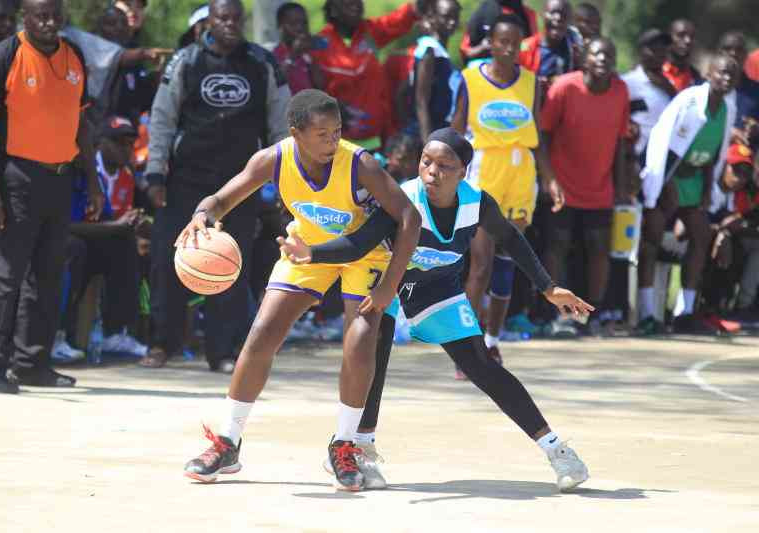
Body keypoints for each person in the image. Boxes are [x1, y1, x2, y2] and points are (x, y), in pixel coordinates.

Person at [281, 128, 591, 491]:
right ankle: (360, 447)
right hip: (387, 280)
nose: (432, 172)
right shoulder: (402, 199)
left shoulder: (477, 203)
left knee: (481, 364)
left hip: (436, 286)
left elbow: (510, 238)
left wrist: (549, 287)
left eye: (444, 166)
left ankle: (557, 451)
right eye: (426, 162)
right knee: (373, 354)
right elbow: (360, 243)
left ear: (463, 172)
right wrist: (312, 254)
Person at [180, 89, 421, 491]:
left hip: (365, 256)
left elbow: (409, 216)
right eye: (322, 134)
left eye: (337, 131)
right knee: (262, 333)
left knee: (360, 339)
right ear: (296, 133)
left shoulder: (360, 164)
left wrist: (389, 286)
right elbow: (221, 199)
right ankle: (228, 442)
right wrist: (202, 215)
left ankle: (344, 445)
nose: (332, 140)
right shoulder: (272, 160)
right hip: (304, 249)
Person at [142, 0, 291, 371]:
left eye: (237, 19)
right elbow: (162, 118)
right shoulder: (186, 61)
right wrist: (155, 174)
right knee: (169, 260)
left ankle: (222, 351)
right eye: (223, 18)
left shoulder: (261, 62)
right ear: (209, 21)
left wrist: (286, 180)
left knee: (230, 264)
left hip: (239, 184)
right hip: (186, 180)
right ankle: (162, 343)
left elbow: (281, 123)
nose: (230, 24)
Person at [0, 0, 104, 394]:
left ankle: (32, 364)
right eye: (40, 16)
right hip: (16, 177)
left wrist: (93, 182)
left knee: (47, 275)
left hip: (60, 178)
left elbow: (81, 122)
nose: (49, 23)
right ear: (25, 18)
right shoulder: (5, 55)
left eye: (55, 16)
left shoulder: (73, 55)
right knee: (6, 276)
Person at [452, 14, 562, 365]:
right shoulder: (470, 79)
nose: (509, 49)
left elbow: (538, 135)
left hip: (520, 173)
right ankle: (467, 350)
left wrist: (550, 178)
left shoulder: (531, 82)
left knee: (507, 260)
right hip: (484, 171)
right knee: (480, 265)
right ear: (491, 43)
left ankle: (492, 340)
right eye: (503, 42)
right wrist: (444, 172)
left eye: (516, 43)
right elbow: (456, 131)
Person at [638, 54, 739, 334]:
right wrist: (664, 184)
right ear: (708, 74)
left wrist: (707, 190)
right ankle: (647, 314)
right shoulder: (689, 101)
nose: (726, 78)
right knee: (651, 239)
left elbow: (714, 155)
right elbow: (664, 142)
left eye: (732, 75)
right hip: (667, 176)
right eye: (721, 72)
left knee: (701, 235)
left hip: (695, 179)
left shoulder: (727, 108)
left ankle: (685, 312)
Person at [540, 37, 630, 334]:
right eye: (597, 54)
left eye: (609, 54)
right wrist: (548, 178)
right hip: (562, 186)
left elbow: (620, 142)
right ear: (584, 59)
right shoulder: (565, 87)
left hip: (599, 188)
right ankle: (557, 313)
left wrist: (620, 187)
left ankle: (593, 313)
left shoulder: (620, 90)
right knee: (557, 246)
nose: (603, 59)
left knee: (599, 249)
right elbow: (542, 135)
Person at [60, 116, 146, 361]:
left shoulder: (118, 176)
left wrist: (131, 224)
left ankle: (115, 334)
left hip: (90, 243)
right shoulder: (67, 173)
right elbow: (62, 227)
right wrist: (117, 225)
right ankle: (59, 335)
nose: (125, 149)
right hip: (63, 244)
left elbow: (108, 220)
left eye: (129, 144)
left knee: (126, 244)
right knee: (74, 248)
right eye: (118, 142)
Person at [312, 0, 425, 149]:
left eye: (358, 2)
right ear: (333, 9)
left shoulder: (369, 32)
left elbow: (401, 18)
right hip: (338, 143)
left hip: (377, 138)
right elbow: (310, 89)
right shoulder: (319, 44)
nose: (356, 6)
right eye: (348, 3)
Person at [708, 144, 759, 325]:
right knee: (726, 242)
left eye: (745, 173)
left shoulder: (745, 192)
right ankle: (712, 307)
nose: (740, 177)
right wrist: (722, 229)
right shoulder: (709, 186)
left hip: (735, 241)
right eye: (736, 170)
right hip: (700, 239)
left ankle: (743, 306)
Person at [407, 0, 462, 144]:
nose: (452, 22)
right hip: (428, 133)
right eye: (446, 17)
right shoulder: (430, 52)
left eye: (455, 17)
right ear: (432, 17)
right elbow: (421, 101)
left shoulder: (439, 51)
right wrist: (428, 144)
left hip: (439, 129)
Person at [621, 29, 676, 158]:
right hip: (635, 155)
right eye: (655, 50)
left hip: (660, 157)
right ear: (642, 51)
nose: (660, 54)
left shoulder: (669, 85)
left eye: (664, 50)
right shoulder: (628, 82)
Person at [518, 0, 582, 100]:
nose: (558, 18)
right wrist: (536, 83)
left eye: (563, 15)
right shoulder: (525, 48)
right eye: (553, 13)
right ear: (543, 15)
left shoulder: (575, 50)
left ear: (570, 20)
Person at [459, 0, 537, 66]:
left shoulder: (527, 14)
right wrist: (482, 48)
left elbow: (534, 47)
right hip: (484, 66)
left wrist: (520, 47)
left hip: (518, 66)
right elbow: (465, 52)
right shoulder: (484, 10)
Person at [273, 2, 326, 95]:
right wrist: (293, 55)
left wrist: (311, 56)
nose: (300, 28)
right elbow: (276, 82)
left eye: (304, 23)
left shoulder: (310, 53)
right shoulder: (273, 54)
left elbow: (321, 86)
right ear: (280, 26)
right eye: (293, 24)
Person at [717, 31, 759, 149]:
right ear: (719, 53)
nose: (733, 53)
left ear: (746, 55)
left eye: (739, 49)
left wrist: (756, 130)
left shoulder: (757, 92)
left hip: (741, 158)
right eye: (728, 48)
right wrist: (727, 133)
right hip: (707, 155)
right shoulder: (702, 88)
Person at [663, 19, 702, 93]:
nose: (688, 41)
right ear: (668, 38)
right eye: (681, 35)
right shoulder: (655, 72)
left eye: (692, 37)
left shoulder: (697, 80)